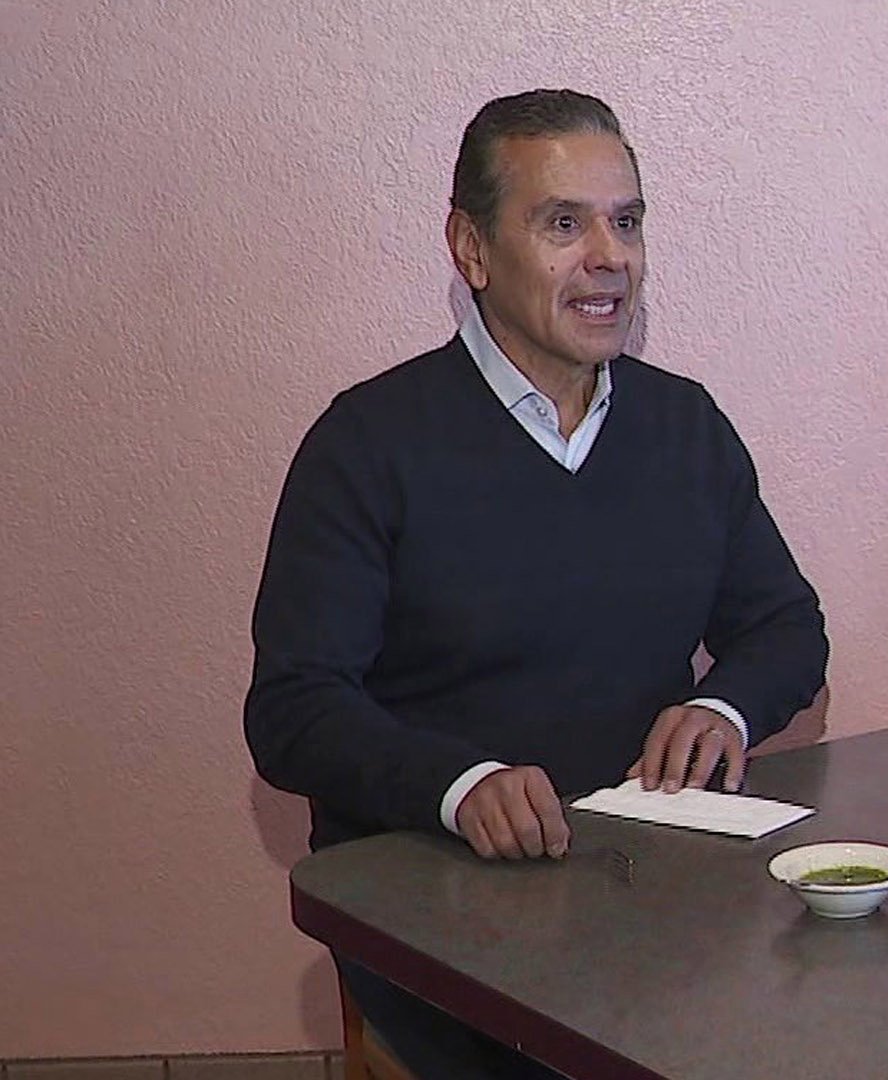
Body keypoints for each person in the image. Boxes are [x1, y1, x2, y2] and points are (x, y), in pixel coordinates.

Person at [244, 89, 828, 1078]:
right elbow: (293, 710)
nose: (611, 256)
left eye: (627, 221)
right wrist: (460, 786)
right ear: (471, 250)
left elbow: (786, 627)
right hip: (435, 901)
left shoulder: (686, 428)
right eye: (565, 223)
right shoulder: (367, 444)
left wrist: (724, 708)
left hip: (648, 885)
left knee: (810, 1020)